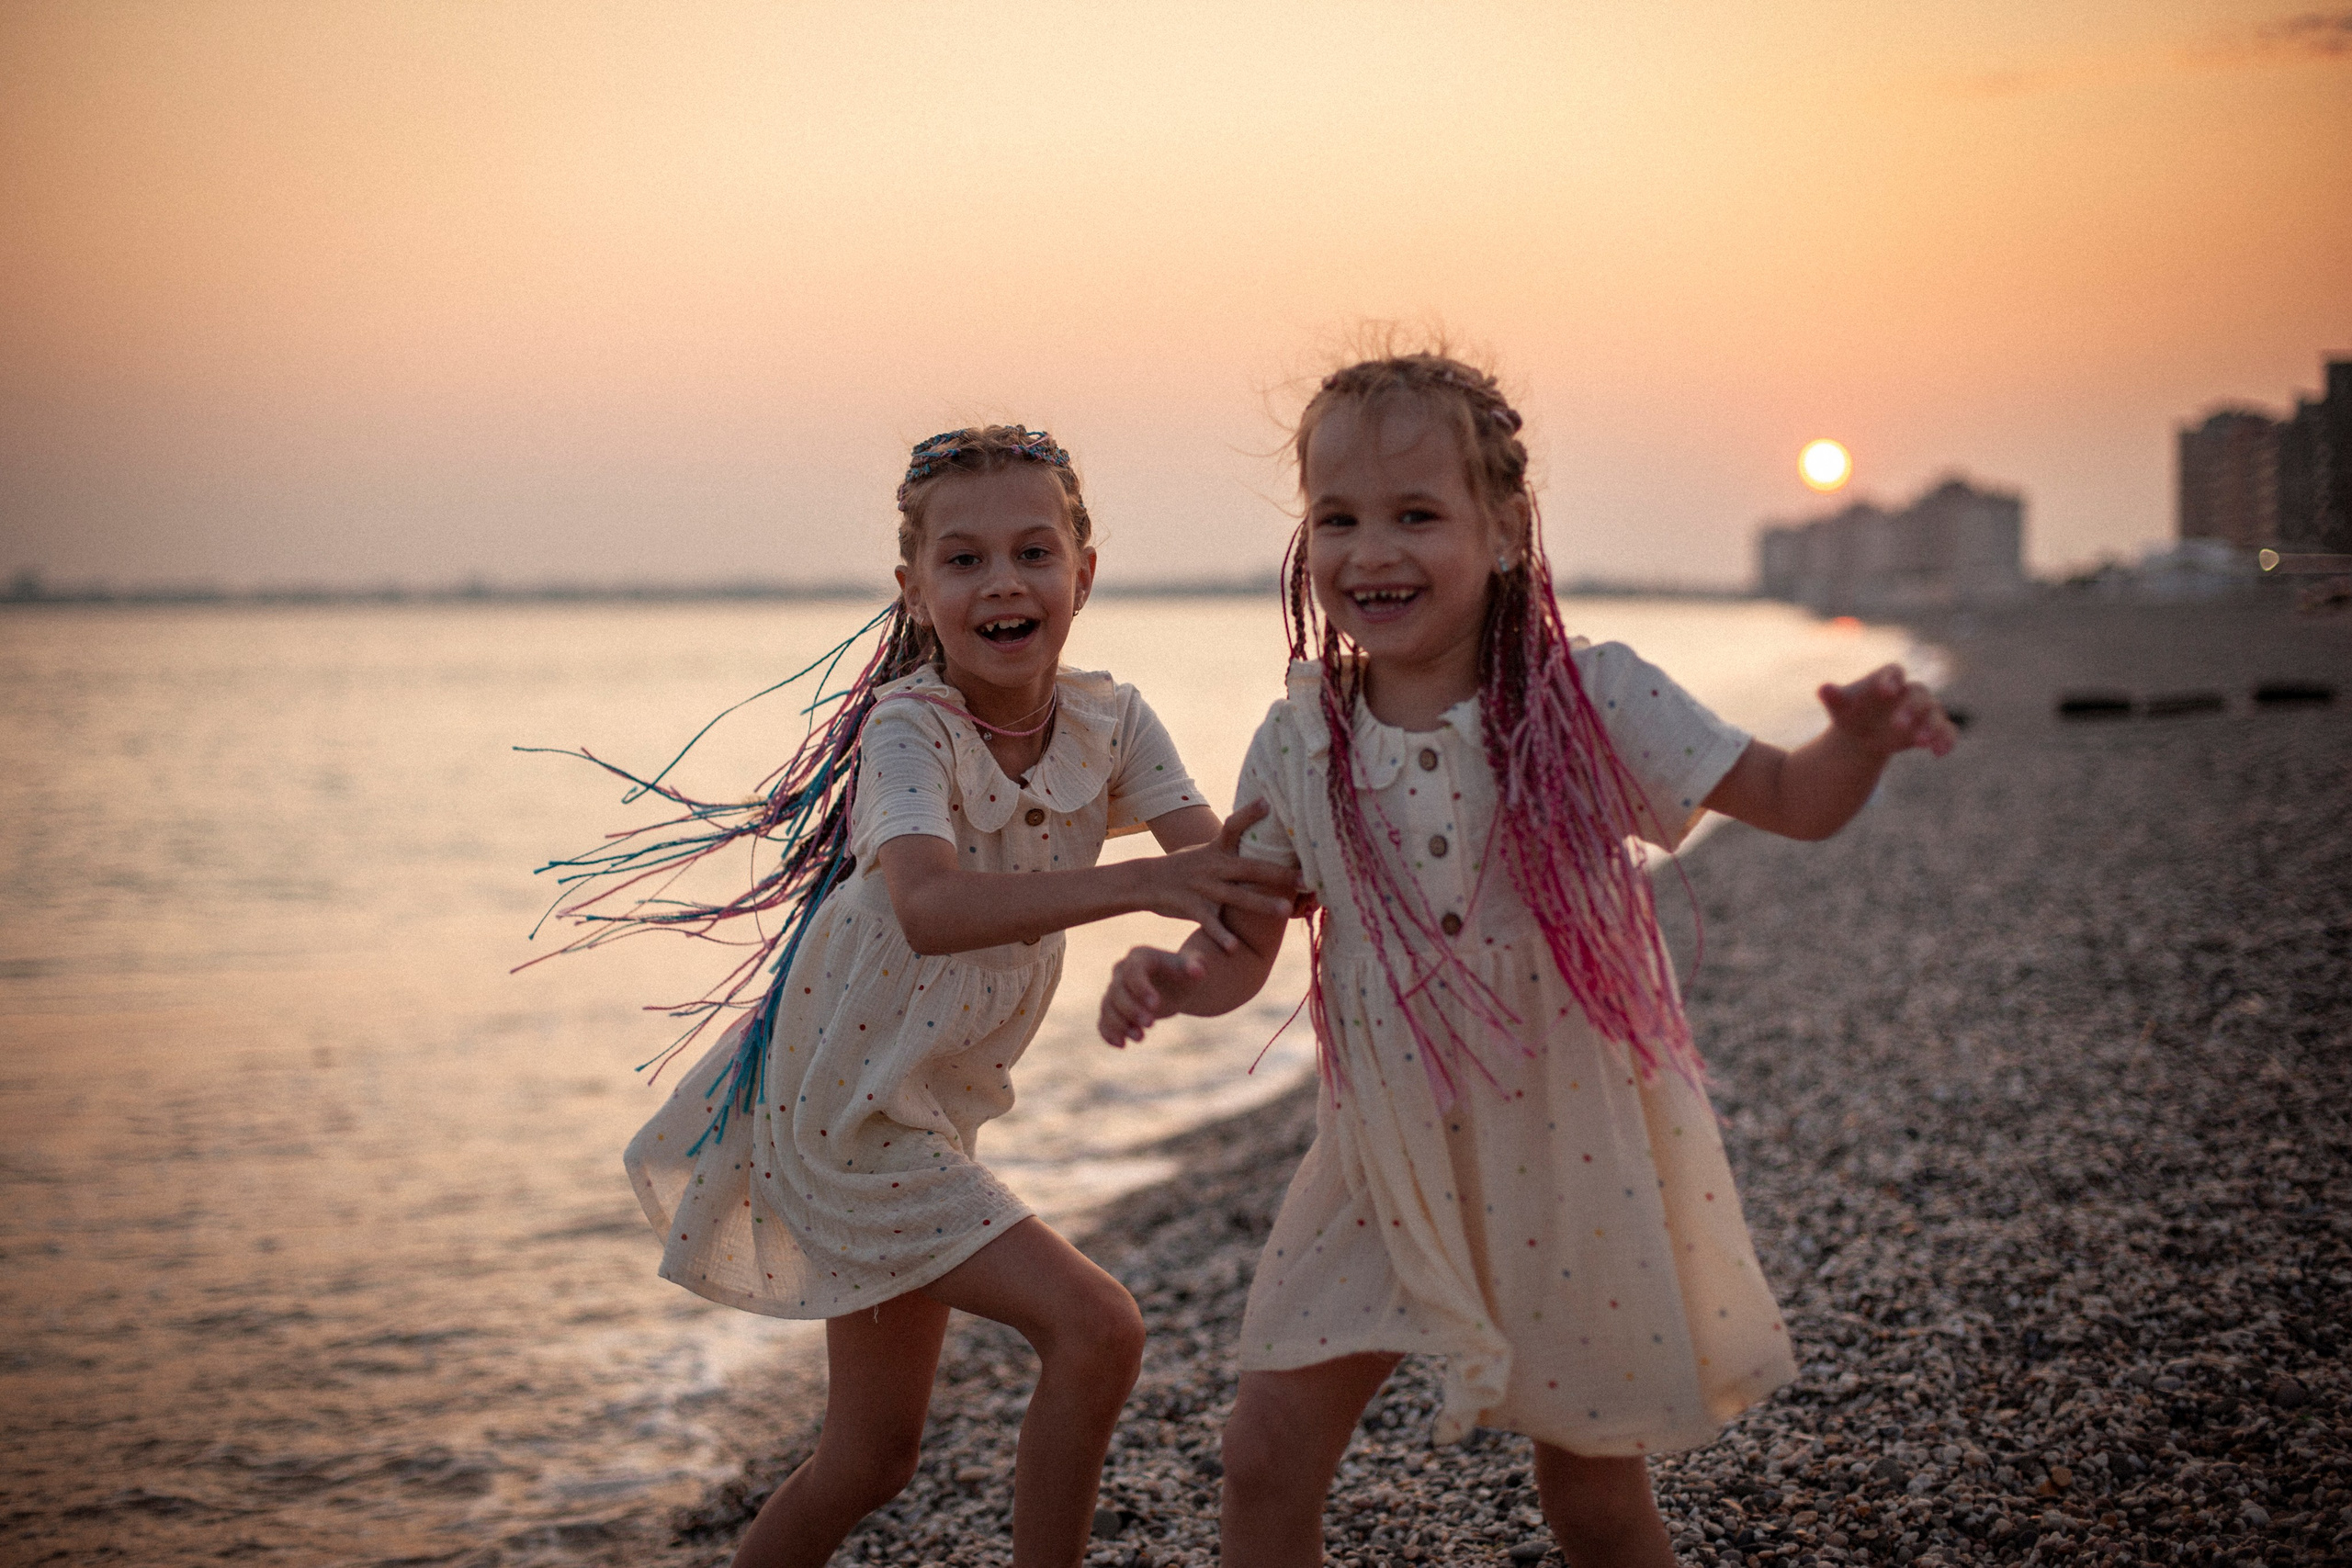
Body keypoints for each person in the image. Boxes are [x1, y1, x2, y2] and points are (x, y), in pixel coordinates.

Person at [1095, 354, 1956, 1568]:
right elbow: (1245, 948)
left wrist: (1854, 744)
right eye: (1337, 518)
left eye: (1415, 514)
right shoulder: (1298, 740)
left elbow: (1789, 797)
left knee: (1590, 1492)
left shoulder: (1587, 698)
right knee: (1264, 1454)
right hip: (1378, 1152)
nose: (1370, 551)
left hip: (1568, 1148)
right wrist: (1178, 977)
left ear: (1503, 530)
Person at [557, 425, 1297, 1568]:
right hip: (848, 1113)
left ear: (1083, 574)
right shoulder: (912, 728)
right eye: (963, 560)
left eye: (1033, 553)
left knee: (869, 1460)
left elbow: (1228, 888)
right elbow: (929, 907)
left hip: (928, 1108)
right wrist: (1147, 887)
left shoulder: (1112, 721)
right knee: (1098, 1328)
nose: (1002, 582)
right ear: (914, 589)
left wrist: (1280, 869)